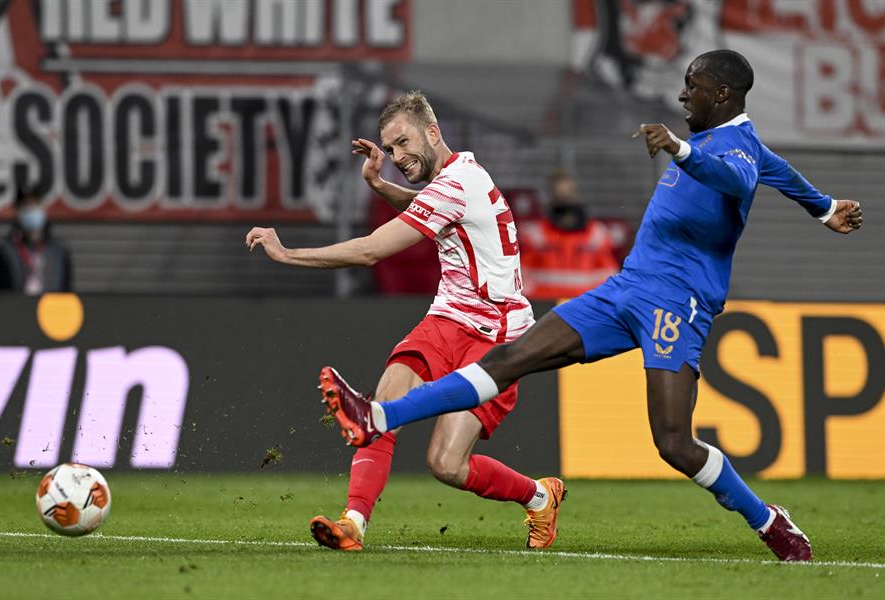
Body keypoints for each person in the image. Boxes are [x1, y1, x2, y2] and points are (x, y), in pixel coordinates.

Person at [317, 51, 864, 562]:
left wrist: (680, 150)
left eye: (692, 87)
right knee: (513, 356)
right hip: (625, 289)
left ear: (722, 94)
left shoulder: (728, 149)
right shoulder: (730, 137)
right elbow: (779, 170)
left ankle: (767, 519)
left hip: (678, 304)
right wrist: (823, 208)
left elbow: (740, 175)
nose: (681, 96)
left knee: (673, 443)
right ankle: (378, 416)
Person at [246, 91, 566, 551]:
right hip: (448, 319)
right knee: (382, 405)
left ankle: (540, 496)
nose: (396, 156)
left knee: (446, 464)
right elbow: (426, 206)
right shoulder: (454, 181)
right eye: (390, 148)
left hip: (497, 336)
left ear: (433, 133)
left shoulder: (457, 185)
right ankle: (353, 522)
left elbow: (372, 250)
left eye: (402, 143)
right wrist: (381, 186)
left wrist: (287, 253)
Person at [518, 169, 620, 299]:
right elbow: (523, 273)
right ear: (550, 196)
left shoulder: (596, 233)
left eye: (568, 193)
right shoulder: (536, 234)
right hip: (543, 303)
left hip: (584, 304)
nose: (564, 199)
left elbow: (608, 272)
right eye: (559, 194)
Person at [0, 187, 73, 294]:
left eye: (35, 205)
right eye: (26, 207)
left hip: (52, 309)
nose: (32, 211)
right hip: (17, 309)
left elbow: (67, 294)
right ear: (17, 211)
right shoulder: (4, 251)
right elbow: (2, 294)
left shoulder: (60, 251)